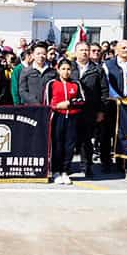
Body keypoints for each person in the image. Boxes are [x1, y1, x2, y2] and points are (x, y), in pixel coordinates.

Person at [70, 41, 109, 176]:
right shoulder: (68, 67)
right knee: (70, 139)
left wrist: (101, 111)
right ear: (75, 52)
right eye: (81, 50)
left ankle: (87, 166)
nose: (84, 52)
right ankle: (67, 166)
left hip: (89, 111)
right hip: (70, 110)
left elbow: (104, 92)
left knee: (86, 141)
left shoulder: (98, 69)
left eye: (87, 50)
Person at [45, 57, 85, 185]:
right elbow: (46, 102)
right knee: (57, 144)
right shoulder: (51, 84)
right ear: (58, 69)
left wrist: (69, 103)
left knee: (69, 145)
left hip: (72, 118)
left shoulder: (76, 84)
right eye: (63, 69)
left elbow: (82, 100)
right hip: (57, 117)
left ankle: (65, 171)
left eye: (68, 69)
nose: (66, 72)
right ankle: (56, 171)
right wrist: (56, 106)